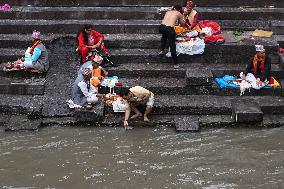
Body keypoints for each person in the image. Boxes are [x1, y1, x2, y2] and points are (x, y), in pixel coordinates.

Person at [159, 4, 186, 69]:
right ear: (179, 9)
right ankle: (176, 64)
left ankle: (161, 51)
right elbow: (182, 23)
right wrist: (184, 16)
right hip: (169, 29)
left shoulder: (168, 11)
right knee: (172, 45)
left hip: (161, 27)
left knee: (164, 37)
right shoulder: (179, 13)